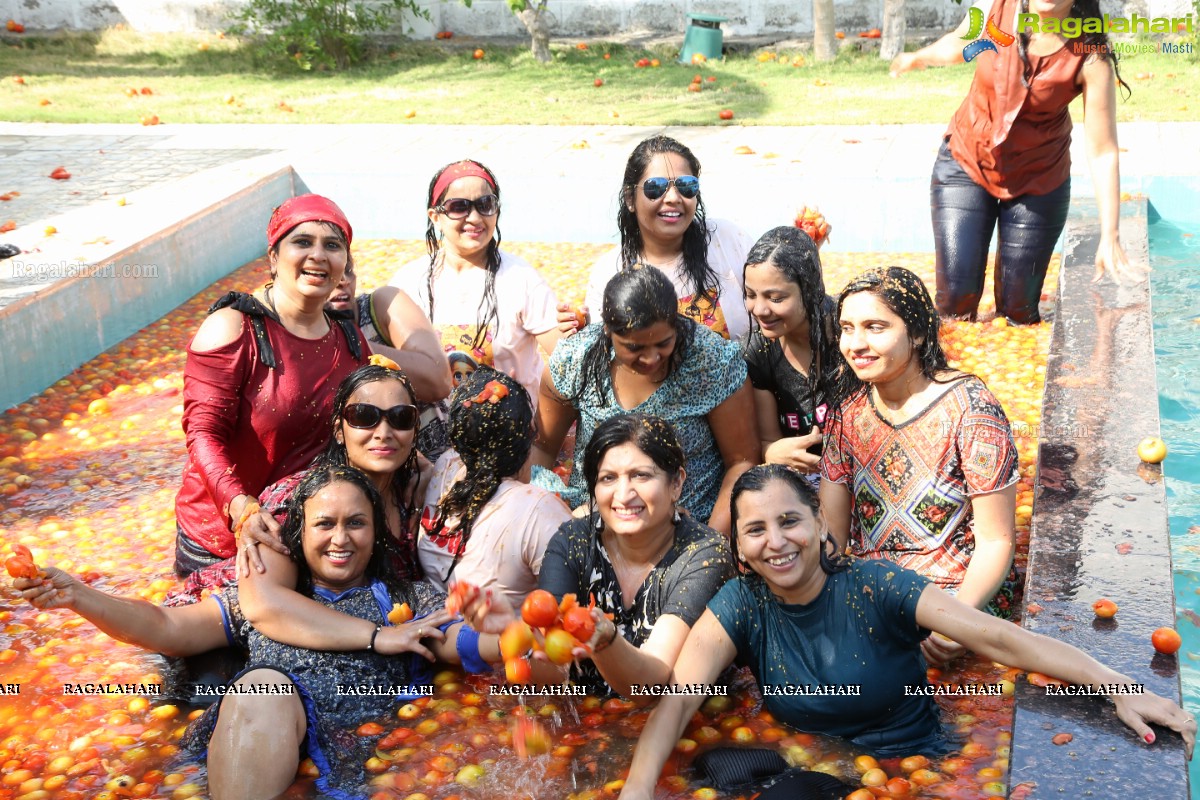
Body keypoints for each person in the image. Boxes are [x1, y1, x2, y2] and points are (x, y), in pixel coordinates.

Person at [616, 465, 1196, 799]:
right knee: (708, 770)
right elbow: (675, 705)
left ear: (820, 523)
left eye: (790, 520)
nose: (776, 541)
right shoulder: (740, 603)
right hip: (818, 761)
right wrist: (635, 795)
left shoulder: (876, 587)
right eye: (756, 530)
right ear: (738, 545)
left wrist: (1116, 685)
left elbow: (998, 639)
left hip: (906, 765)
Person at [14, 464, 510, 800]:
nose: (341, 538)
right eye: (325, 524)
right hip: (256, 738)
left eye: (356, 523)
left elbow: (460, 643)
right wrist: (79, 596)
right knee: (262, 686)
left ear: (375, 533)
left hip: (363, 753)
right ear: (300, 534)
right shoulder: (262, 602)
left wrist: (510, 629)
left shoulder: (406, 601)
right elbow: (165, 627)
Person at [890, 0, 1139, 324]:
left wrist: (1110, 234)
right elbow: (958, 42)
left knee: (1018, 314)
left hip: (1039, 181)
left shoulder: (1089, 55)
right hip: (967, 162)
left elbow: (1103, 150)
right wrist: (917, 57)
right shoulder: (995, 7)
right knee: (955, 304)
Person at [821, 267, 1018, 664]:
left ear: (918, 333)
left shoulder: (972, 409)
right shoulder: (846, 415)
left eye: (875, 327)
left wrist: (958, 620)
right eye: (847, 328)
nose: (855, 343)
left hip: (959, 597)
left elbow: (997, 541)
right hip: (876, 596)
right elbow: (832, 541)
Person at [469, 414, 734, 697]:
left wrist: (606, 641)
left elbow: (652, 685)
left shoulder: (703, 555)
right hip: (592, 715)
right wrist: (512, 635)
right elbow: (554, 671)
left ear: (676, 483)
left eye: (641, 475)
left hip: (684, 719)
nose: (623, 494)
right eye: (608, 478)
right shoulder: (573, 542)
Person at [175, 194, 366, 575]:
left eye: (332, 245)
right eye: (302, 242)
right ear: (274, 257)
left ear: (345, 263)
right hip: (221, 537)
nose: (318, 255)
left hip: (304, 537)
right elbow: (202, 434)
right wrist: (241, 509)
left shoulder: (349, 338)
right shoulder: (233, 327)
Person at [168, 362, 428, 605]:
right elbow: (266, 604)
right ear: (339, 430)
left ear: (415, 429)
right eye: (363, 416)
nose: (383, 433)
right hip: (214, 614)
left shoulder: (416, 491)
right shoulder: (297, 502)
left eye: (401, 418)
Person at [534, 265, 759, 534]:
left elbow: (742, 462)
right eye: (634, 348)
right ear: (607, 331)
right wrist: (552, 526)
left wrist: (710, 546)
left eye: (664, 343)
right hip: (596, 525)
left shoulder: (711, 361)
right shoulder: (576, 360)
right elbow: (542, 450)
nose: (651, 358)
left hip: (688, 531)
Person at [388, 160, 561, 402]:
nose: (475, 217)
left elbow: (569, 359)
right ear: (435, 217)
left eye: (485, 204)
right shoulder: (408, 282)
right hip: (428, 433)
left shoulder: (520, 279)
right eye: (459, 207)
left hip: (510, 435)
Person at [419, 367, 572, 609]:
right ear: (529, 435)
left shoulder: (446, 465)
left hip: (431, 628)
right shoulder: (541, 511)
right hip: (494, 642)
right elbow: (568, 615)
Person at [576, 135, 754, 341]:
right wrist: (575, 329)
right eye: (655, 187)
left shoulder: (727, 239)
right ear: (629, 198)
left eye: (686, 185)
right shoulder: (609, 272)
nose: (673, 198)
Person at [327, 255, 453, 460]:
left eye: (347, 270)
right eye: (327, 272)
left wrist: (348, 341)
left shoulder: (381, 305)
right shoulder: (294, 342)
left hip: (440, 463)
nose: (343, 280)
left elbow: (439, 381)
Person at [741, 226, 838, 476]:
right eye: (750, 295)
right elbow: (767, 440)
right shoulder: (758, 350)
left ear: (810, 290)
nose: (759, 309)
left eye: (775, 298)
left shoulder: (847, 329)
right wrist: (771, 453)